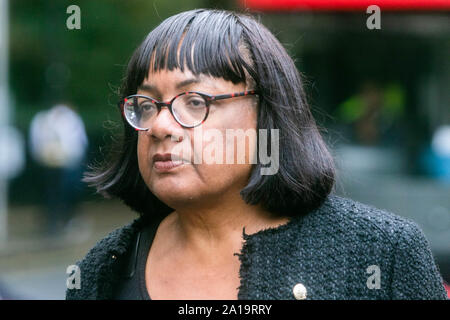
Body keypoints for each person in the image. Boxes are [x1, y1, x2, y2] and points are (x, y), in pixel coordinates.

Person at [66, 9, 447, 300]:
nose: (160, 126)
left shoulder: (384, 252)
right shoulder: (103, 272)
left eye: (195, 101)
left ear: (268, 114)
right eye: (146, 104)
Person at [29, 104, 88, 235]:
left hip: (62, 163)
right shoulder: (56, 119)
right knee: (56, 193)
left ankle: (59, 221)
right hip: (59, 164)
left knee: (59, 193)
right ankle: (56, 222)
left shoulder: (47, 119)